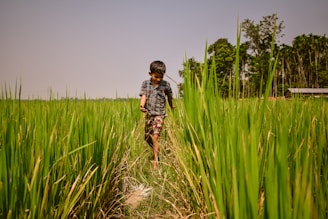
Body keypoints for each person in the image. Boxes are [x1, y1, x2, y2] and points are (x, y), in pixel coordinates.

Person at [139, 60, 174, 170]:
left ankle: (155, 162)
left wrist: (171, 106)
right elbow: (144, 95)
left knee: (155, 137)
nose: (158, 79)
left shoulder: (166, 85)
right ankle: (156, 150)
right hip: (149, 113)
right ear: (150, 74)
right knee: (147, 137)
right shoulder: (146, 84)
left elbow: (169, 97)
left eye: (161, 77)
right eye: (156, 77)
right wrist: (142, 106)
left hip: (160, 114)